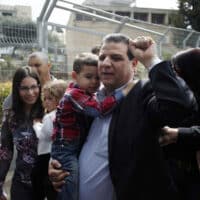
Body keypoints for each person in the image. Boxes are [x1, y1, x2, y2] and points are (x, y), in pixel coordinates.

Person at [48, 34, 197, 200]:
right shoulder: (89, 99)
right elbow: (66, 136)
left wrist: (151, 60)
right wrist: (57, 165)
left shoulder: (144, 94)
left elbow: (179, 107)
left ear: (133, 64)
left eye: (116, 58)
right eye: (102, 57)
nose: (105, 63)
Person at [51, 52, 133, 200]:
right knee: (69, 181)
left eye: (97, 77)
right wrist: (124, 92)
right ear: (75, 76)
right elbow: (98, 110)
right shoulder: (74, 94)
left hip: (73, 145)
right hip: (66, 148)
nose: (94, 82)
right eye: (89, 77)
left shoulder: (88, 93)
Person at [159, 48, 200, 200]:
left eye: (177, 70)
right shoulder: (176, 97)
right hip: (171, 173)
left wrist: (178, 134)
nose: (173, 76)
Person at [0, 66, 44, 200]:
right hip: (21, 185)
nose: (30, 92)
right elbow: (5, 152)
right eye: (24, 88)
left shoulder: (49, 111)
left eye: (34, 87)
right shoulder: (10, 116)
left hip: (47, 184)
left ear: (39, 86)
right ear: (16, 89)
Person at [31, 79, 68, 200]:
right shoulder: (65, 114)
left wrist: (36, 125)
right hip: (58, 154)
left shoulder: (49, 117)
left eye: (50, 98)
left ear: (60, 99)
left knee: (38, 179)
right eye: (45, 98)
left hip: (45, 154)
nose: (46, 102)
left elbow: (43, 135)